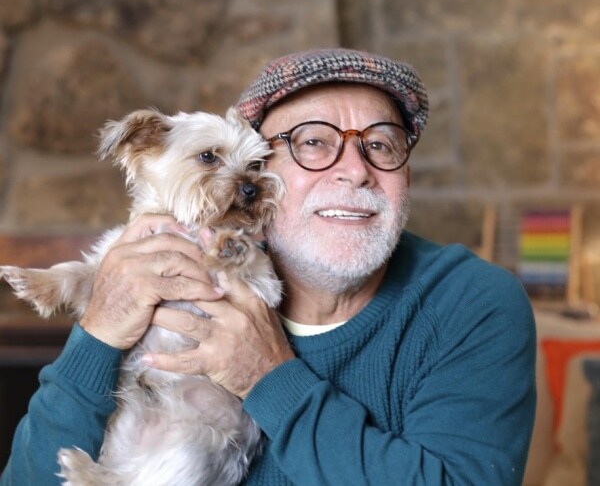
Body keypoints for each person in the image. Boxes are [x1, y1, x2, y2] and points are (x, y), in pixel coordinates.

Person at [1, 48, 536, 485]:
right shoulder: (153, 275)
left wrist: (269, 376)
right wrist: (96, 334)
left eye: (382, 144)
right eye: (312, 142)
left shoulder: (471, 302)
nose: (355, 170)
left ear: (407, 177)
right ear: (261, 169)